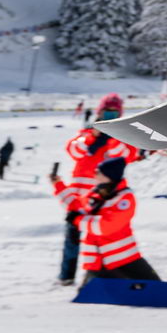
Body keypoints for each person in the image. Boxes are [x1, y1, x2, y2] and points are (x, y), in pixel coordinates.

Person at [54, 94, 139, 284]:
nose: (109, 115)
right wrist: (92, 136)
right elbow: (74, 150)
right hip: (78, 195)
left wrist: (114, 136)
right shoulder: (87, 133)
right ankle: (66, 276)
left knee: (98, 237)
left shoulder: (122, 136)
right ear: (99, 112)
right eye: (106, 112)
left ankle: (96, 276)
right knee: (72, 237)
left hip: (103, 197)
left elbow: (124, 156)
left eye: (114, 112)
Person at [72, 175, 159, 283]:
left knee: (151, 288)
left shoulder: (123, 198)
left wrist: (78, 220)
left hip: (123, 256)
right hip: (98, 260)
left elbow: (105, 227)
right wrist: (58, 184)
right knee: (92, 294)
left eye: (100, 173)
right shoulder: (94, 194)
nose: (95, 176)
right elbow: (74, 202)